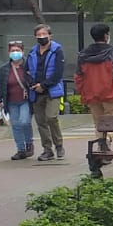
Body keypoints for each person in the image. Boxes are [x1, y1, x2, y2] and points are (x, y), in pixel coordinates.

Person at [74, 23, 113, 153]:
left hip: (92, 94)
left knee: (98, 122)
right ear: (106, 36)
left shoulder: (83, 54)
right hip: (110, 92)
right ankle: (106, 140)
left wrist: (84, 91)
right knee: (112, 119)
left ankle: (101, 144)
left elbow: (78, 76)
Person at [25, 24, 66, 162]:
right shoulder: (32, 52)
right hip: (36, 91)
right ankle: (47, 150)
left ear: (50, 35)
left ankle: (59, 145)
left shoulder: (57, 51)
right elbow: (27, 71)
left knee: (51, 117)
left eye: (44, 34)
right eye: (39, 35)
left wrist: (43, 85)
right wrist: (33, 85)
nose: (42, 37)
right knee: (40, 121)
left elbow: (58, 73)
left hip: (52, 90)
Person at [0, 39, 34, 160]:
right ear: (9, 52)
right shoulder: (4, 69)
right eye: (13, 50)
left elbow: (33, 80)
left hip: (25, 100)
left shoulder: (28, 66)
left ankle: (29, 143)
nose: (15, 53)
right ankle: (20, 150)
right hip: (11, 101)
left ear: (22, 51)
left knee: (25, 121)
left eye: (17, 50)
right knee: (16, 125)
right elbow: (0, 85)